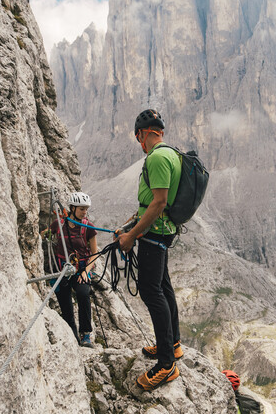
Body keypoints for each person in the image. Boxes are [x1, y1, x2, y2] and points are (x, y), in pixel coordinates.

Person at [117, 109, 183, 391]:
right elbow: (152, 203)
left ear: (143, 134)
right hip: (162, 231)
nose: (140, 145)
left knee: (151, 292)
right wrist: (129, 225)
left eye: (138, 139)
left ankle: (167, 365)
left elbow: (158, 202)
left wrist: (132, 235)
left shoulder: (156, 157)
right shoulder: (172, 154)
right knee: (163, 287)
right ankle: (173, 344)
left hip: (154, 234)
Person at [46, 191, 98, 347]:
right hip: (63, 269)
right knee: (65, 301)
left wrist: (86, 271)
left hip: (81, 269)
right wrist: (44, 234)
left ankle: (86, 334)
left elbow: (94, 253)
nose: (84, 212)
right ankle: (72, 334)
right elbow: (45, 234)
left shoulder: (88, 228)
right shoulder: (59, 225)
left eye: (86, 209)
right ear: (73, 208)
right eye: (81, 209)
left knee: (83, 293)